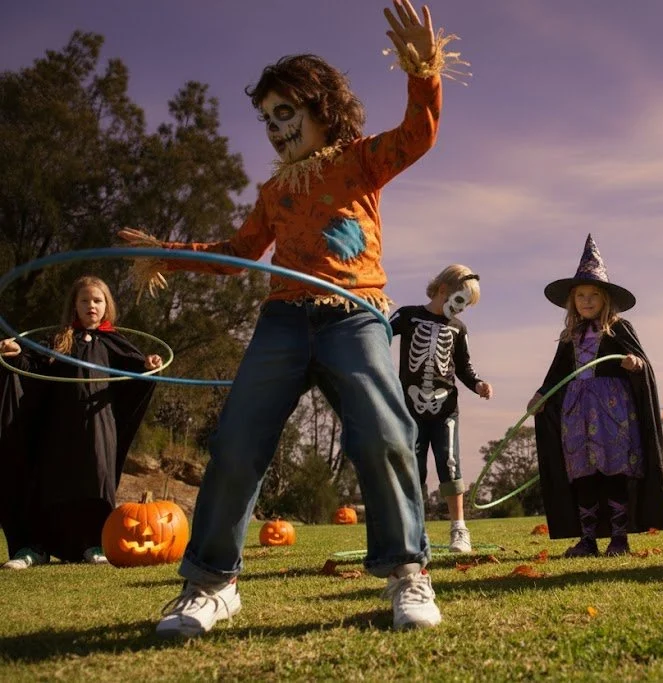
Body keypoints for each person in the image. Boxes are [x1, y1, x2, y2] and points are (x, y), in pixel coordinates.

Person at [118, 0, 461, 635]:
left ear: (321, 109)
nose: (275, 128)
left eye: (287, 113)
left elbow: (420, 133)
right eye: (268, 118)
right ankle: (212, 584)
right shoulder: (274, 192)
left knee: (385, 435)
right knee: (237, 441)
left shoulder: (360, 159)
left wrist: (422, 71)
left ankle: (408, 571)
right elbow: (236, 255)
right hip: (282, 318)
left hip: (353, 316)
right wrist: (165, 253)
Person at [0, 275, 161, 569]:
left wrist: (148, 365)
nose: (91, 306)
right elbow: (31, 365)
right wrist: (17, 352)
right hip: (58, 425)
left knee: (96, 479)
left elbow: (137, 372)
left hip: (100, 425)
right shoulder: (59, 339)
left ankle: (95, 543)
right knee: (51, 482)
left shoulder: (115, 343)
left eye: (97, 300)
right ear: (74, 305)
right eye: (85, 300)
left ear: (107, 306)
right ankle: (36, 547)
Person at [529, 234, 663, 558]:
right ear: (573, 300)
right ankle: (588, 539)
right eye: (581, 295)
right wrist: (541, 394)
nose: (587, 301)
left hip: (613, 415)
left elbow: (641, 363)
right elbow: (556, 374)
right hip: (576, 414)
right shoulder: (570, 337)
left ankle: (619, 538)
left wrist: (636, 366)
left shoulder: (620, 329)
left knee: (614, 472)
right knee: (583, 475)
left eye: (593, 295)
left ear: (605, 299)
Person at [389, 265, 492, 553]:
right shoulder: (408, 315)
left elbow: (464, 367)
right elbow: (379, 333)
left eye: (466, 307)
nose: (461, 311)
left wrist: (479, 384)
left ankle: (459, 529)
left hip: (446, 408)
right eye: (461, 301)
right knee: (413, 467)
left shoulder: (458, 328)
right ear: (443, 290)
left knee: (449, 462)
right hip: (409, 406)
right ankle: (413, 530)